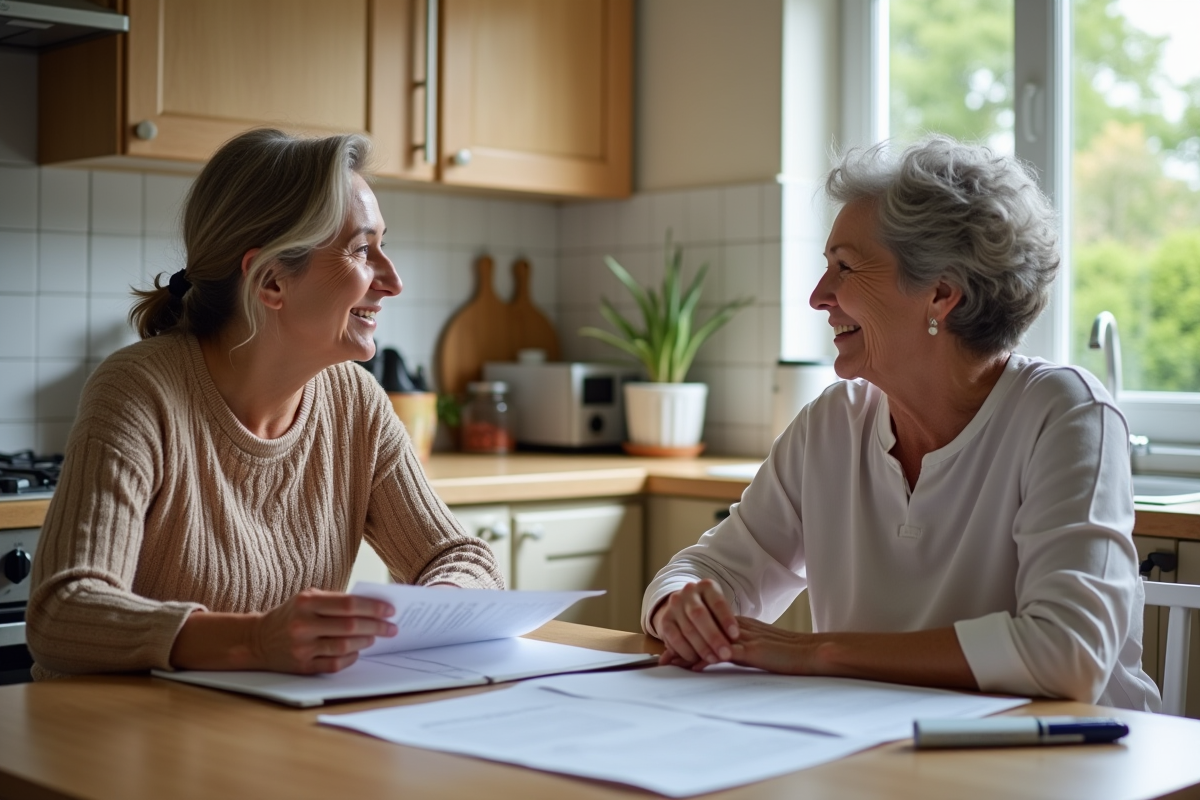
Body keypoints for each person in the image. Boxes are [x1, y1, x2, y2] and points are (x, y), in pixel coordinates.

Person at [643, 136, 1160, 711]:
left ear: (940, 294)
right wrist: (681, 607)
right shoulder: (833, 425)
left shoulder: (1065, 414)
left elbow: (1069, 656)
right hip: (879, 748)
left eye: (845, 267)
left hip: (1074, 766)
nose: (819, 297)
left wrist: (819, 652)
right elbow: (710, 569)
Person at [26, 129, 503, 680]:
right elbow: (63, 612)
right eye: (361, 250)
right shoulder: (139, 391)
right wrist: (253, 639)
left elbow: (464, 559)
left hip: (266, 732)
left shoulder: (355, 402)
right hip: (121, 744)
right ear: (271, 280)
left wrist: (434, 606)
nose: (392, 281)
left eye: (383, 246)